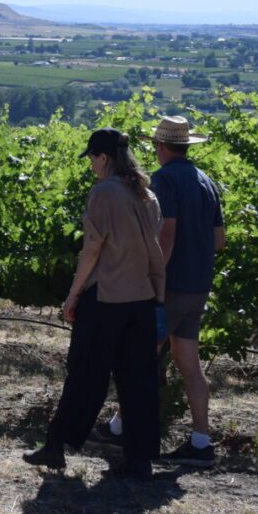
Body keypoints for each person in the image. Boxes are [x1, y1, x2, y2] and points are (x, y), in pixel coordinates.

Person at [25, 128, 165, 479]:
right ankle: (140, 458)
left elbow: (92, 248)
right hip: (142, 299)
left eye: (91, 158)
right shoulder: (147, 195)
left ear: (103, 157)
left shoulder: (104, 193)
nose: (90, 166)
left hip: (106, 298)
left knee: (85, 374)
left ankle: (56, 446)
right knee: (139, 379)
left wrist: (73, 294)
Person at [98, 116, 225, 467]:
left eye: (156, 145)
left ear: (162, 147)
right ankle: (201, 442)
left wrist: (155, 281)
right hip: (198, 287)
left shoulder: (165, 181)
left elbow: (165, 235)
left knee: (138, 357)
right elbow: (219, 241)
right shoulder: (207, 182)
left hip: (170, 287)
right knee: (190, 365)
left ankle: (121, 429)